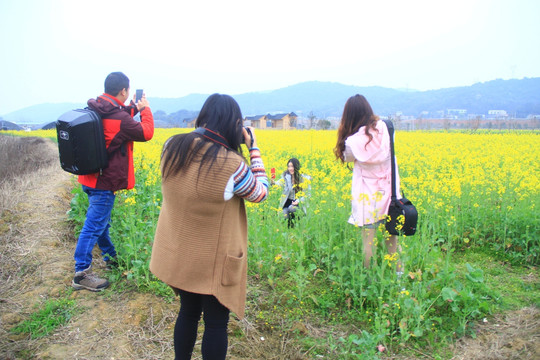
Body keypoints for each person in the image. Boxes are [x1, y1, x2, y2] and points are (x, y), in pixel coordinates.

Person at [150, 93, 268, 360]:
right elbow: (260, 192)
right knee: (215, 324)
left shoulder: (172, 146)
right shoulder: (231, 165)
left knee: (188, 313)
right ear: (232, 125)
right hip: (212, 262)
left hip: (181, 255)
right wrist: (254, 148)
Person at [72, 72, 154, 291]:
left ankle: (111, 258)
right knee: (93, 226)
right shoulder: (119, 117)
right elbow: (146, 132)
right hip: (104, 183)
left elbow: (119, 115)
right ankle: (81, 274)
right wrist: (145, 110)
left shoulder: (97, 107)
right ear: (124, 91)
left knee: (101, 223)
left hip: (89, 177)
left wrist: (134, 108)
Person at [334, 94, 401, 271]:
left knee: (368, 243)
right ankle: (400, 280)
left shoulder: (352, 142)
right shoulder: (386, 128)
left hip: (367, 197)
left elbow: (347, 158)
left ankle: (369, 281)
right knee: (392, 239)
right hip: (389, 193)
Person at [275, 158, 310, 228]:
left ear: (297, 167)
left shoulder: (304, 179)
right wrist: (273, 182)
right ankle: (290, 228)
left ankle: (298, 225)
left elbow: (308, 195)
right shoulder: (286, 177)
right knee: (283, 214)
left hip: (299, 203)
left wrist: (298, 201)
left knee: (292, 208)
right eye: (289, 166)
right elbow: (278, 183)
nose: (290, 168)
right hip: (287, 202)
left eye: (292, 166)